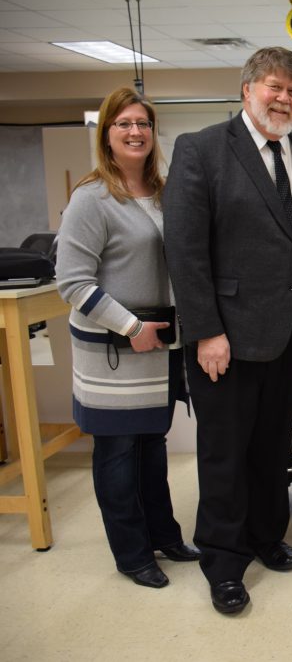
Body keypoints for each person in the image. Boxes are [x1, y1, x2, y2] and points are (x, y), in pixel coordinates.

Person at [163, 47, 292, 614]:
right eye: (273, 87)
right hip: (225, 340)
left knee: (270, 447)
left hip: (287, 334)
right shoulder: (202, 150)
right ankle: (224, 558)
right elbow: (184, 251)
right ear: (247, 90)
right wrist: (205, 330)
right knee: (224, 453)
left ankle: (265, 534)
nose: (283, 98)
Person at [56, 86, 200, 589]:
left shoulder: (164, 192)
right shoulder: (91, 199)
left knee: (151, 448)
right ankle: (132, 553)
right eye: (124, 124)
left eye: (143, 123)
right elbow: (72, 282)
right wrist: (130, 327)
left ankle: (164, 535)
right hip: (113, 350)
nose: (136, 132)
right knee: (117, 454)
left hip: (158, 348)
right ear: (107, 135)